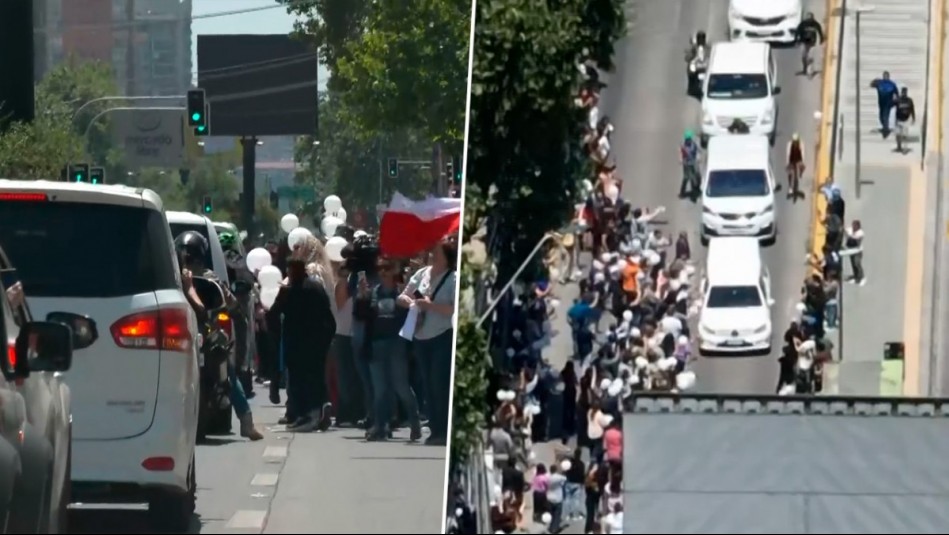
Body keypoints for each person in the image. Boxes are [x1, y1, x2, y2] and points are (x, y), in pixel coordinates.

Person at [175, 231, 264, 441]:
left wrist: (231, 311)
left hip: (206, 335)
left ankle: (246, 421)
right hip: (181, 335)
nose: (188, 260)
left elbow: (228, 303)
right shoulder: (174, 279)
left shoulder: (209, 279)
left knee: (227, 372)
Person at [398, 239, 457, 446]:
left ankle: (443, 430)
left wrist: (431, 306)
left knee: (439, 383)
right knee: (428, 384)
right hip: (420, 336)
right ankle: (434, 427)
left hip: (441, 335)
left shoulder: (453, 279)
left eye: (437, 252)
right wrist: (410, 302)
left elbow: (454, 309)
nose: (432, 254)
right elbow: (402, 296)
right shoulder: (421, 274)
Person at [356, 257, 422, 441]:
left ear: (394, 271)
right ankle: (380, 426)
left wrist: (408, 294)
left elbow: (416, 309)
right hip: (376, 344)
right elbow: (361, 317)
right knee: (380, 389)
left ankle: (414, 421)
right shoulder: (373, 293)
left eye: (387, 268)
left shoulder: (402, 292)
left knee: (401, 386)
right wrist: (362, 297)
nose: (383, 272)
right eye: (380, 269)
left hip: (397, 344)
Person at [267, 258, 337, 432]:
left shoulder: (292, 292)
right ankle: (321, 407)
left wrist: (280, 297)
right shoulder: (317, 288)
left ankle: (308, 416)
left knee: (301, 381)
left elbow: (273, 315)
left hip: (299, 343)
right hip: (318, 342)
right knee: (317, 378)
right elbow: (328, 317)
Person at [795, 12, 825, 76]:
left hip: (811, 42)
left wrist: (821, 39)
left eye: (811, 19)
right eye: (808, 20)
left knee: (810, 56)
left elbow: (820, 31)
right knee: (803, 57)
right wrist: (796, 40)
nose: (810, 21)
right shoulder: (802, 24)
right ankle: (804, 69)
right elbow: (797, 32)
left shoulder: (815, 24)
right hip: (803, 41)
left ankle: (811, 70)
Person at [871, 71, 899, 135]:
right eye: (884, 76)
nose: (885, 77)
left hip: (888, 102)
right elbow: (872, 84)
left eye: (886, 76)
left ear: (888, 76)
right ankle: (885, 127)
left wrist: (896, 100)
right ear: (883, 76)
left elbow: (897, 93)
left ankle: (886, 128)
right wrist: (876, 80)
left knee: (885, 115)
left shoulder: (892, 84)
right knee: (881, 116)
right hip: (881, 102)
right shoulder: (880, 83)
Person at [894, 87, 916, 154]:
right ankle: (899, 147)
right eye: (903, 92)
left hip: (906, 120)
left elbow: (912, 109)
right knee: (898, 134)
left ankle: (905, 148)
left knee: (905, 135)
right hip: (898, 119)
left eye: (905, 92)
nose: (904, 93)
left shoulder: (909, 100)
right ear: (901, 92)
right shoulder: (898, 100)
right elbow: (891, 104)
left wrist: (913, 118)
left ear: (906, 92)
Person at [679, 130, 700, 198]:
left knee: (694, 177)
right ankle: (682, 192)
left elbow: (697, 152)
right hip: (687, 164)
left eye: (689, 138)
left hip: (693, 163)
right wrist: (681, 160)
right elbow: (681, 154)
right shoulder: (683, 146)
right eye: (687, 139)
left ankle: (694, 190)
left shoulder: (693, 144)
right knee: (686, 177)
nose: (688, 140)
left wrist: (698, 158)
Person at [786, 132, 805, 198]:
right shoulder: (789, 144)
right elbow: (788, 154)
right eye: (794, 141)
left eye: (796, 141)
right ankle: (790, 186)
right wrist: (788, 163)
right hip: (791, 159)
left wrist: (802, 162)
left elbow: (802, 153)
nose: (795, 142)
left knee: (803, 167)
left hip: (798, 159)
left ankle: (800, 174)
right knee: (790, 172)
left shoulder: (801, 144)